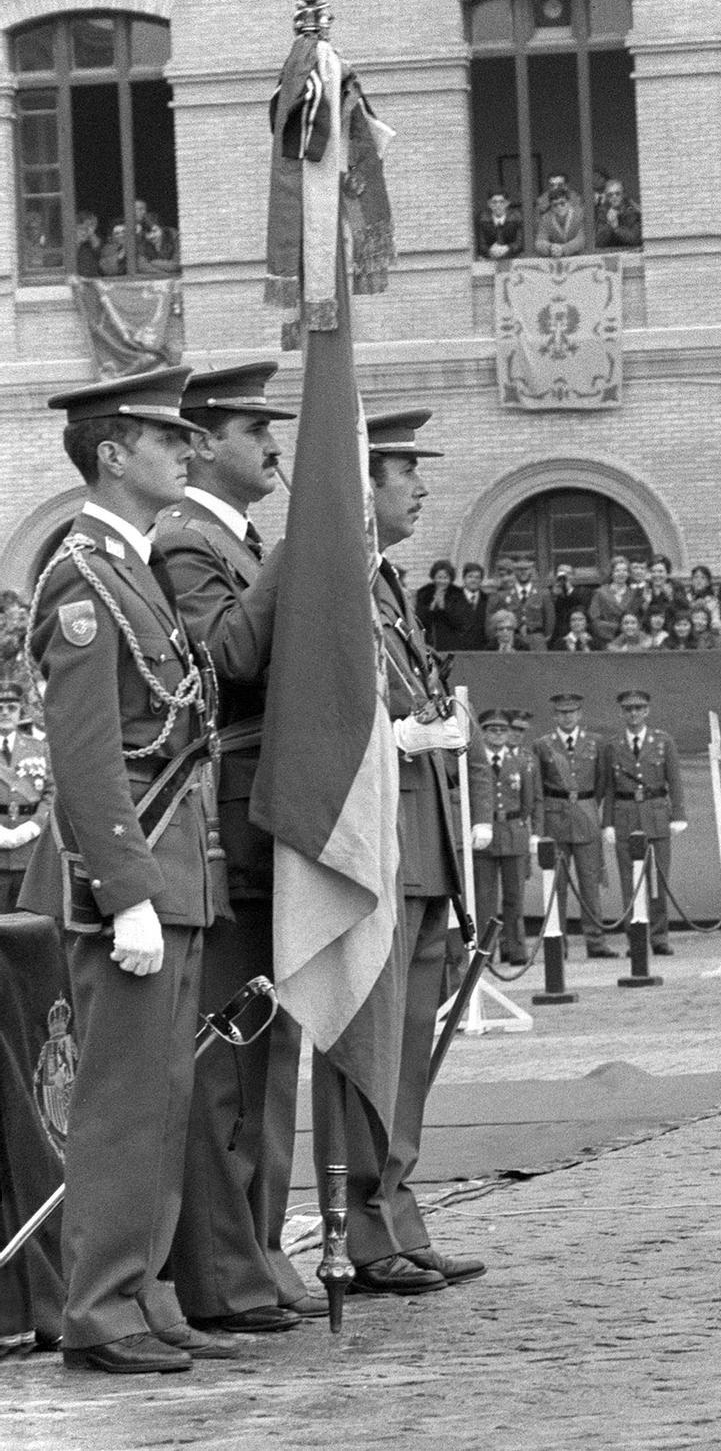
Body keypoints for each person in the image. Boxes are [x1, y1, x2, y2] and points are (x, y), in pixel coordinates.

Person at [20, 367, 218, 1372]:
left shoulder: (134, 568)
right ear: (112, 452)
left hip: (176, 863)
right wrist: (127, 892)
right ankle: (96, 1306)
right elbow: (90, 751)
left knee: (166, 1095)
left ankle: (143, 1284)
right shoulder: (84, 578)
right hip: (132, 882)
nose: (187, 449)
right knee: (120, 1100)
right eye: (166, 436)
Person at [157, 361, 320, 1334]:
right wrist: (301, 559)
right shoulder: (187, 541)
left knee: (270, 1047)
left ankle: (258, 1248)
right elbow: (220, 661)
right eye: (254, 427)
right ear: (203, 441)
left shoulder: (244, 543)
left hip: (272, 813)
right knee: (228, 1051)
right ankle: (223, 1267)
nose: (273, 444)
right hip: (228, 818)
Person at [317, 406, 489, 1300]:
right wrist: (402, 739)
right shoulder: (336, 582)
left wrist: (436, 725)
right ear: (363, 485)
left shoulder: (386, 584)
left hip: (420, 843)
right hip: (374, 843)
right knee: (372, 1047)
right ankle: (360, 1226)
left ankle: (398, 1210)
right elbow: (325, 720)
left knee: (410, 1048)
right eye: (403, 473)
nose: (421, 488)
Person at [603, 690, 686, 957]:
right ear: (621, 713)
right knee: (630, 883)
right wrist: (608, 824)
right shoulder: (613, 746)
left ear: (647, 711)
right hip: (625, 816)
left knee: (657, 881)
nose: (634, 714)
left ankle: (659, 937)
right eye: (628, 709)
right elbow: (608, 787)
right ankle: (636, 937)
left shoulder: (663, 742)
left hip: (656, 816)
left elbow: (674, 780)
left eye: (639, 709)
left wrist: (679, 815)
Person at [533, 693, 616, 959]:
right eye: (562, 713)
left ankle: (596, 941)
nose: (567, 717)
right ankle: (558, 943)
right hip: (555, 819)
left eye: (572, 712)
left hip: (586, 816)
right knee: (556, 884)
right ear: (554, 716)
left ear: (580, 714)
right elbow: (539, 786)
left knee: (590, 883)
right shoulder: (543, 745)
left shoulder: (596, 743)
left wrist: (589, 806)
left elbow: (603, 782)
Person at [475, 711, 539, 964]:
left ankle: (516, 950)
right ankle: (486, 953)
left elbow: (528, 802)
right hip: (486, 835)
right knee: (485, 899)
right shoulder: (476, 763)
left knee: (514, 898)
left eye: (502, 730)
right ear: (483, 733)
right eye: (492, 730)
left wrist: (528, 831)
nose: (498, 735)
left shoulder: (521, 763)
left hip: (513, 833)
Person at [0, 682, 52, 913]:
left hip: (29, 852)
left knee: (26, 928)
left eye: (10, 707)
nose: (4, 713)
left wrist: (32, 827)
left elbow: (52, 793)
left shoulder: (39, 749)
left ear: (20, 710)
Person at [494, 554, 555, 649]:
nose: (523, 572)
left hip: (537, 639)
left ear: (531, 570)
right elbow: (500, 620)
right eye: (519, 569)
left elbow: (550, 619)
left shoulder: (543, 593)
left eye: (526, 569)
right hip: (514, 639)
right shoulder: (504, 595)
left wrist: (543, 637)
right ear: (514, 571)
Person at [414, 559, 471, 653]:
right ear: (434, 578)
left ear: (450, 579)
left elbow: (461, 621)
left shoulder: (457, 594)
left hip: (451, 642)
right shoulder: (425, 593)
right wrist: (431, 608)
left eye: (445, 578)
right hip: (429, 641)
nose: (442, 581)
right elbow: (419, 618)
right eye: (439, 577)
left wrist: (443, 608)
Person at [588, 555, 635, 645]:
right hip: (606, 640)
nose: (621, 574)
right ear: (611, 573)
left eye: (624, 570)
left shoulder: (634, 594)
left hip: (630, 640)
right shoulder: (600, 593)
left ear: (629, 573)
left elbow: (638, 618)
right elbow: (594, 619)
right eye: (617, 571)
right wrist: (617, 628)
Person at [449, 561, 491, 651]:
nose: (473, 580)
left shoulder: (487, 600)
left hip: (482, 651)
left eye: (477, 577)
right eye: (470, 576)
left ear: (481, 580)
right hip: (459, 651)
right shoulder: (452, 600)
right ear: (464, 578)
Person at [534, 185, 586, 257]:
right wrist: (550, 248)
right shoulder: (546, 219)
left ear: (568, 202)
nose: (559, 207)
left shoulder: (579, 215)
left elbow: (582, 238)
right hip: (555, 258)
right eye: (555, 205)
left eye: (562, 203)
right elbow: (539, 242)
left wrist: (563, 249)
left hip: (581, 257)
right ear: (551, 207)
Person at [594, 179, 642, 250]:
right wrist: (609, 225)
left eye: (617, 193)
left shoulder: (633, 212)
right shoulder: (603, 213)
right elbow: (598, 243)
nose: (614, 197)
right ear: (607, 197)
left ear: (623, 195)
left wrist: (616, 228)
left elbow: (635, 240)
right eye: (610, 195)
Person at [476, 190, 523, 261]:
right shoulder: (482, 221)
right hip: (490, 259)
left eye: (502, 202)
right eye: (494, 202)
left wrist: (507, 248)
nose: (498, 205)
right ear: (489, 204)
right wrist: (490, 251)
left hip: (513, 259)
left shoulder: (516, 219)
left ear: (507, 203)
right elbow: (481, 245)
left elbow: (520, 243)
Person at [549, 562, 592, 629]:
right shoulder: (549, 591)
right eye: (562, 573)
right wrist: (554, 595)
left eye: (568, 574)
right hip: (557, 630)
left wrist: (569, 589)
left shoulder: (583, 591)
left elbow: (583, 605)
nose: (565, 576)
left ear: (574, 576)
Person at [74, 211, 103, 278]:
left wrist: (90, 233)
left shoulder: (93, 240)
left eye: (86, 229)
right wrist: (78, 242)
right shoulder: (69, 243)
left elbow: (98, 248)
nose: (84, 232)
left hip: (92, 278)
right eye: (81, 229)